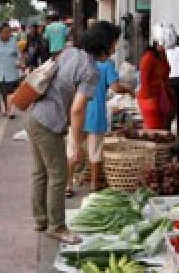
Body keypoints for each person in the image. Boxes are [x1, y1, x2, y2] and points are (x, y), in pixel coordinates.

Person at [27, 21, 119, 243]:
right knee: (58, 175)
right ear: (103, 45)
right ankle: (56, 226)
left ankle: (41, 220)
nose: (115, 49)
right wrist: (75, 145)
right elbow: (78, 109)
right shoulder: (91, 71)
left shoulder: (69, 53)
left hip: (34, 115)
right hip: (49, 122)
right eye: (114, 44)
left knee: (40, 173)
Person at [76, 37, 131, 194]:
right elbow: (116, 87)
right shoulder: (107, 65)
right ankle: (94, 184)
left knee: (74, 147)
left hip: (79, 109)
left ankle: (68, 185)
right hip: (96, 111)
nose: (114, 48)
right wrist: (130, 91)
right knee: (95, 149)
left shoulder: (83, 63)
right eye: (113, 45)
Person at [137, 41, 172, 131]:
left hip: (161, 96)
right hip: (149, 98)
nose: (164, 45)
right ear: (155, 43)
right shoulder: (148, 57)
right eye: (162, 42)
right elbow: (144, 80)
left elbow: (166, 73)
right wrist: (150, 100)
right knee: (154, 130)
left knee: (163, 128)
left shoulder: (162, 55)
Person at [0, 23, 21, 119]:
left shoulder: (14, 41)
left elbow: (19, 55)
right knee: (4, 93)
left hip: (12, 71)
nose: (7, 34)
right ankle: (8, 110)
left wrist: (20, 62)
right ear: (0, 33)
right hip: (0, 73)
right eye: (5, 32)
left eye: (9, 32)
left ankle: (10, 110)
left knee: (12, 92)